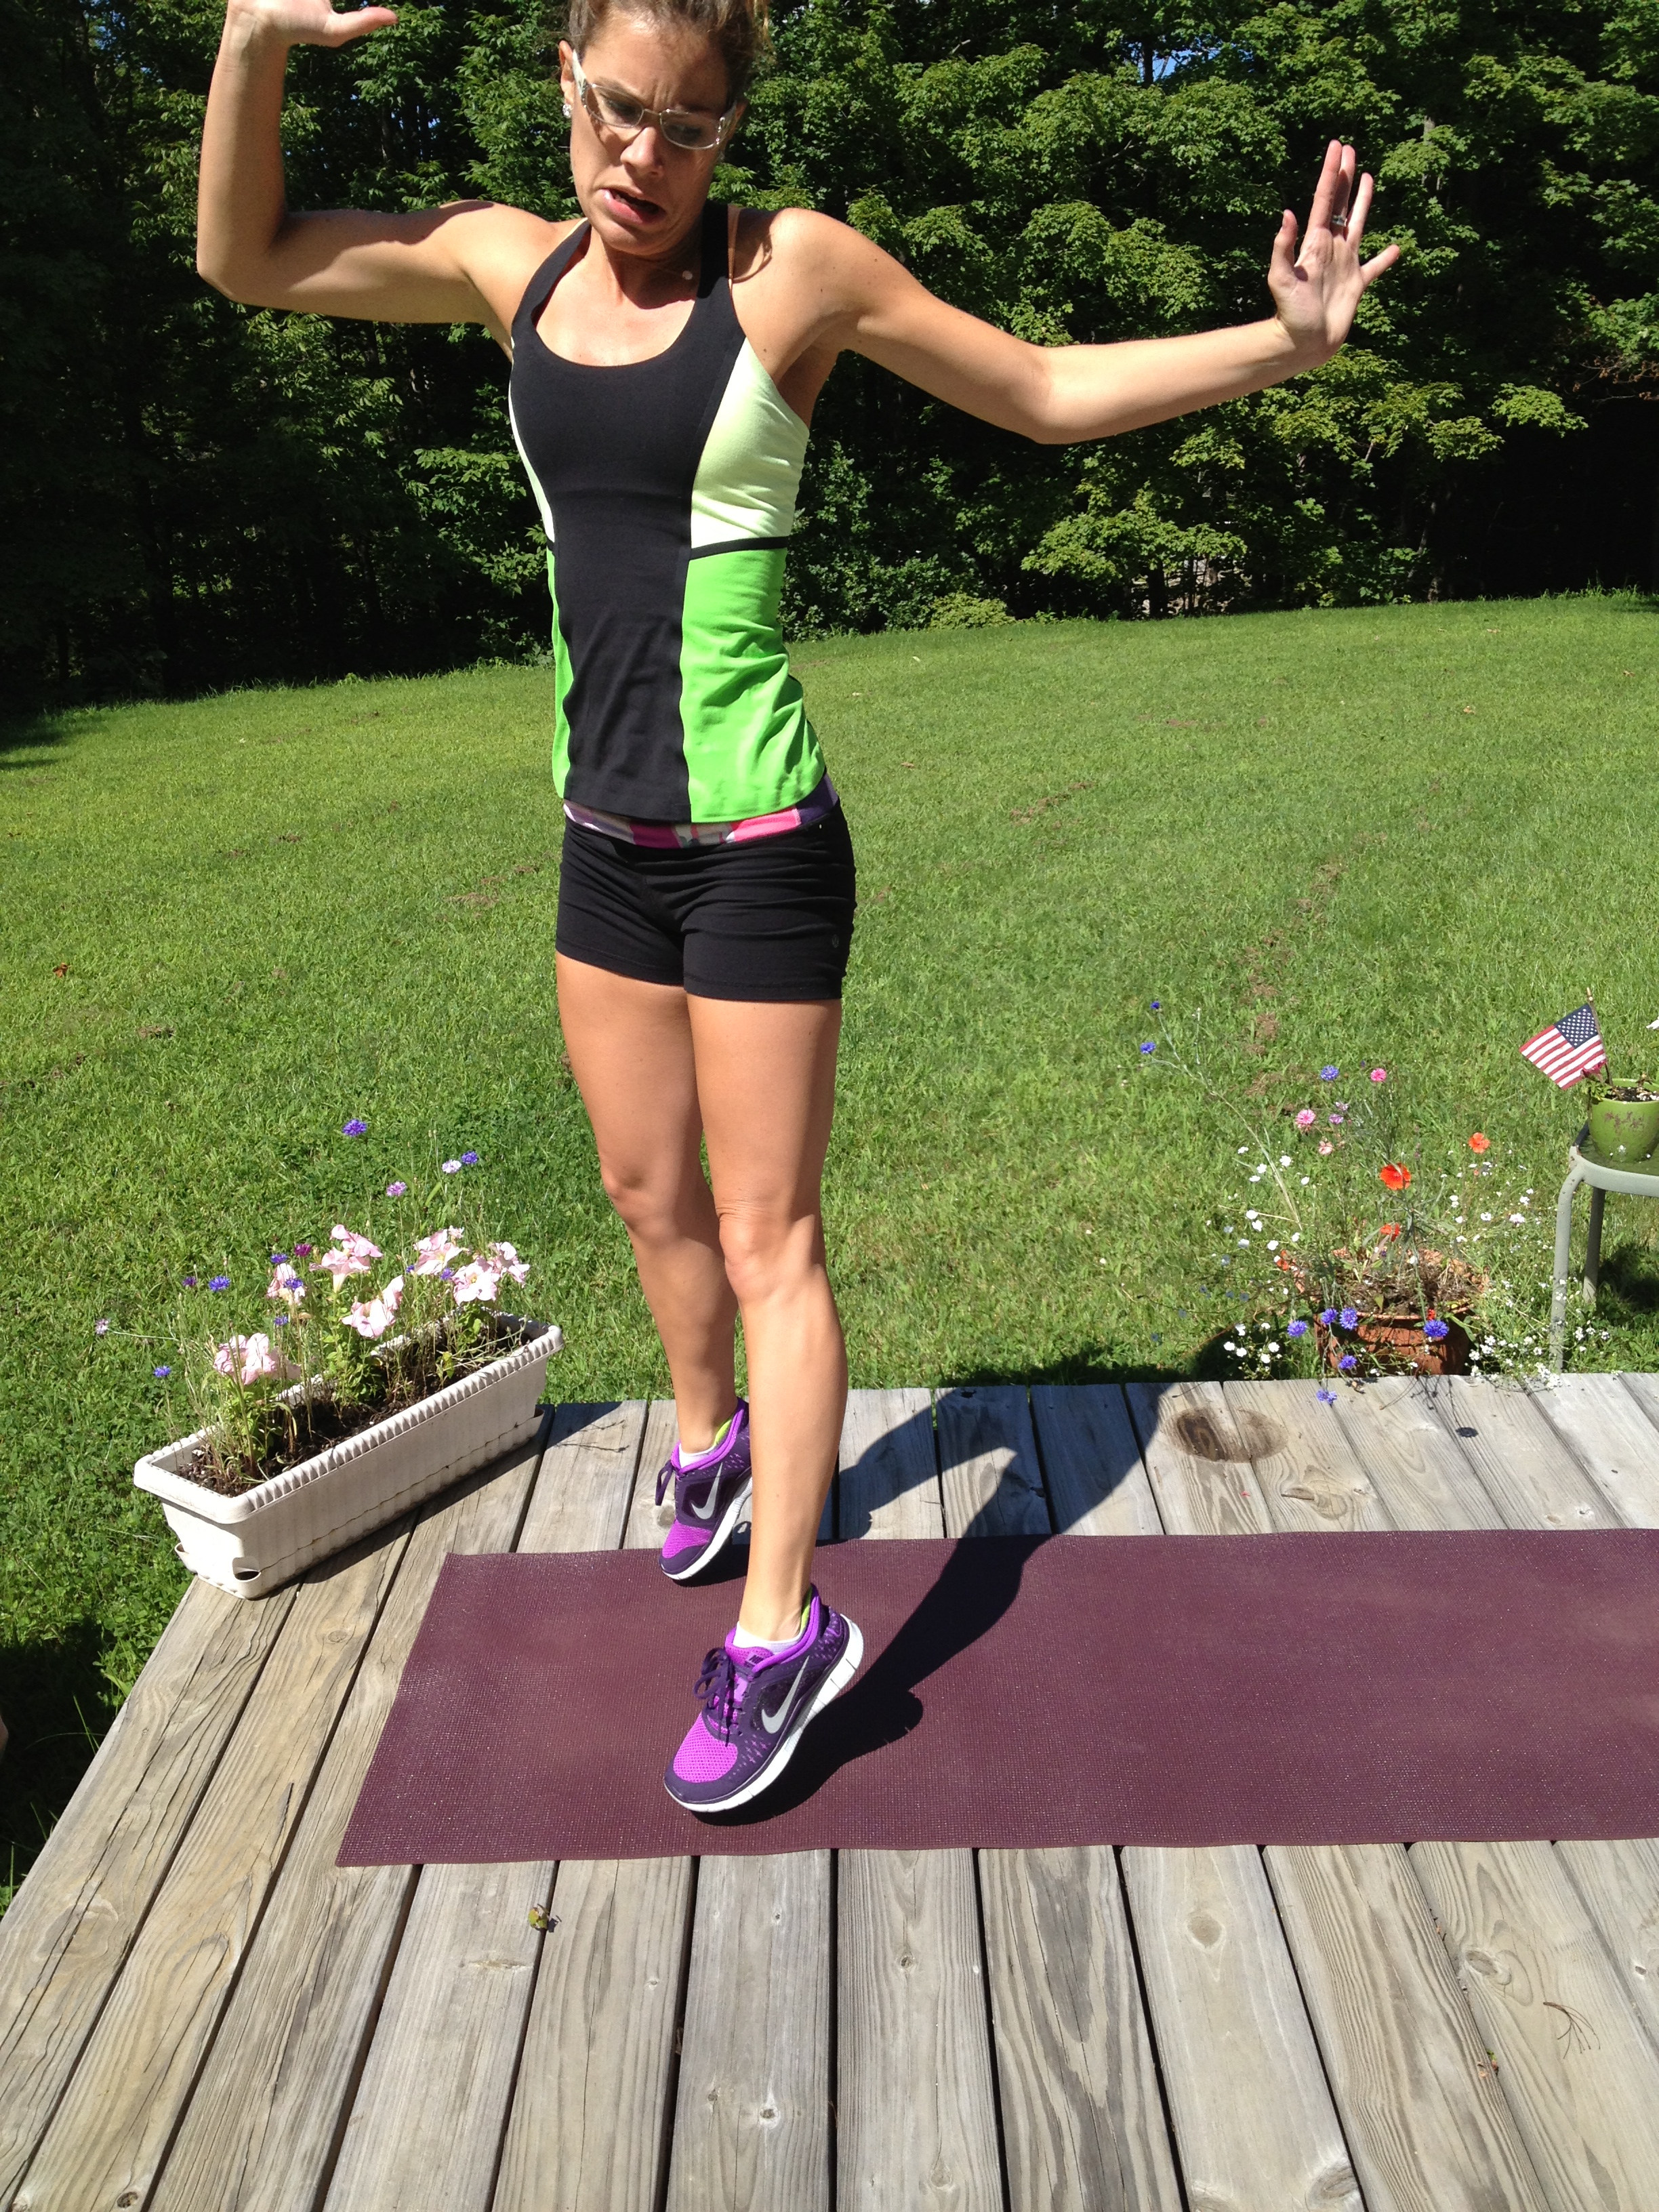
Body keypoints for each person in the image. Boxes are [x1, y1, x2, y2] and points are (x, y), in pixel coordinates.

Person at [199, 0, 1397, 1814]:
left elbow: (1043, 392)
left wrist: (1284, 347)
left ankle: (783, 1635)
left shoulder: (794, 274)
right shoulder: (504, 264)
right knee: (645, 1195)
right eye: (620, 111)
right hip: (602, 840)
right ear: (566, 81)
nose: (645, 159)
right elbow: (246, 259)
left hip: (759, 846)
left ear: (732, 132)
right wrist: (249, 45)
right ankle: (711, 1442)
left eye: (690, 129)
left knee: (771, 1237)